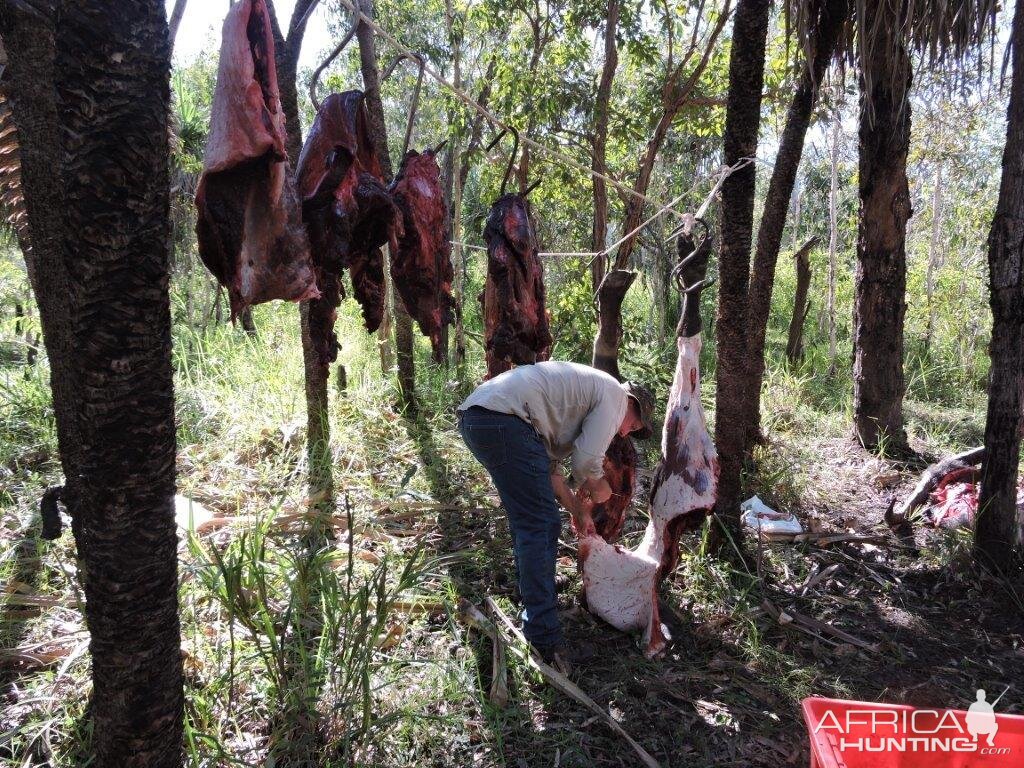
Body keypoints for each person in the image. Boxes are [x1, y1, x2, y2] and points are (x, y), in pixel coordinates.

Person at [457, 361, 655, 668]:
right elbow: (587, 460)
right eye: (636, 425)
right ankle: (543, 638)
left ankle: (536, 614)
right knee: (539, 525)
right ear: (633, 404)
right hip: (503, 420)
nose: (630, 431)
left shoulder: (580, 402)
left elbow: (551, 473)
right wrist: (599, 484)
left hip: (479, 418)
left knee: (533, 522)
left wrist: (578, 510)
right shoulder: (615, 396)